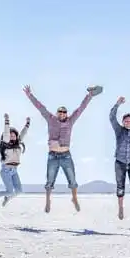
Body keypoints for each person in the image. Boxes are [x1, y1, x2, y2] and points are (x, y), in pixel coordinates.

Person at [24, 84, 102, 213]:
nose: (62, 114)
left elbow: (81, 108)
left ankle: (74, 198)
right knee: (49, 180)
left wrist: (89, 96)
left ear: (66, 113)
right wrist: (30, 95)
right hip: (53, 155)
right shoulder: (51, 119)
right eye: (60, 111)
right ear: (57, 113)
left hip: (66, 155)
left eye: (64, 112)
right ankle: (48, 201)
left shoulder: (70, 121)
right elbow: (40, 107)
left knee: (72, 179)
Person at [0, 114, 31, 206]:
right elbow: (6, 133)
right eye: (10, 135)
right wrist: (7, 121)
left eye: (14, 135)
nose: (12, 137)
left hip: (14, 171)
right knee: (9, 191)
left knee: (19, 191)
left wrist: (27, 124)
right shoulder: (5, 145)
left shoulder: (18, 144)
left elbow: (23, 133)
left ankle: (7, 198)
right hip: (6, 170)